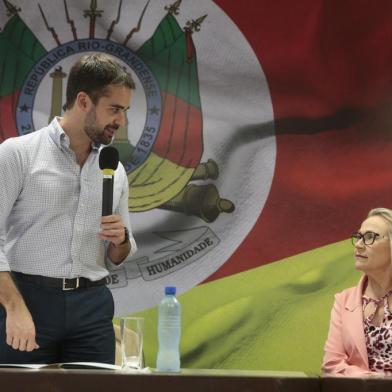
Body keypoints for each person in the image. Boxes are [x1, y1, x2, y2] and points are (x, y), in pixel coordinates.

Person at [0, 53, 137, 364]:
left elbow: (118, 256)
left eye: (125, 111)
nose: (121, 121)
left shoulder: (114, 169)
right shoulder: (17, 154)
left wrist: (122, 241)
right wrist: (14, 307)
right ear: (84, 101)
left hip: (93, 307)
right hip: (28, 301)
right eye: (114, 109)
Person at [322, 207, 392, 376]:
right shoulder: (343, 300)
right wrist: (371, 381)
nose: (359, 245)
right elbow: (332, 365)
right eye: (359, 237)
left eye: (369, 237)